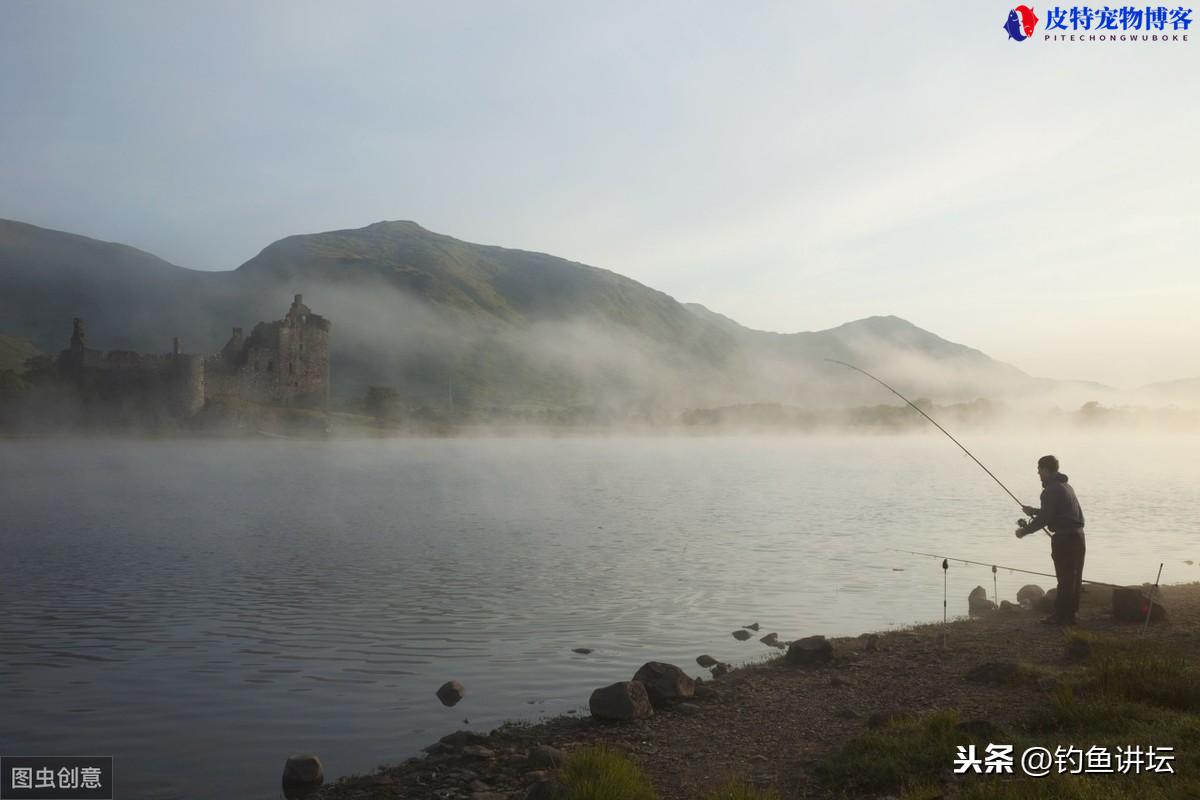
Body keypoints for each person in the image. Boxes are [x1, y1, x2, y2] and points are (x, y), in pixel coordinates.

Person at [1015, 455, 1086, 626]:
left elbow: (1045, 519)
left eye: (1039, 470)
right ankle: (1070, 615)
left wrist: (1024, 531)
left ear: (1046, 470)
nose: (1038, 473)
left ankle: (1062, 616)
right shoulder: (1066, 486)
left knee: (1064, 578)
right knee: (1074, 579)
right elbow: (1056, 512)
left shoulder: (1050, 490)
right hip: (1078, 537)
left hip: (1065, 539)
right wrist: (1033, 511)